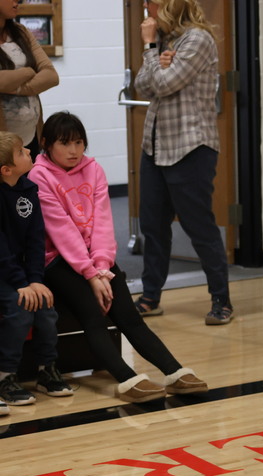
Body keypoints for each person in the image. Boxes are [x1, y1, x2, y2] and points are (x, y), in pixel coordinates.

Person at [29, 111, 208, 403]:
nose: (74, 151)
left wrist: (102, 267)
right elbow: (61, 230)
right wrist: (90, 275)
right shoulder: (39, 175)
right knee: (93, 315)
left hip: (95, 260)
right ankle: (127, 379)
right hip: (59, 260)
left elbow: (102, 221)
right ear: (47, 144)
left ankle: (174, 372)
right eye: (65, 143)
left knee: (129, 316)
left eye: (78, 142)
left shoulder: (94, 169)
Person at [133, 0, 233, 325]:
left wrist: (150, 50)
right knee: (152, 224)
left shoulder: (196, 39)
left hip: (190, 147)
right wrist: (156, 57)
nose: (147, 6)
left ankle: (221, 300)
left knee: (198, 226)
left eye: (153, 0)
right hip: (155, 145)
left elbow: (163, 84)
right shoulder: (165, 40)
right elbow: (143, 85)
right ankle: (150, 297)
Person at [0, 130, 71, 415]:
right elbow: (1, 249)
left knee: (45, 306)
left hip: (20, 274)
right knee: (20, 310)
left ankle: (46, 369)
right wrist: (22, 284)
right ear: (6, 169)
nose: (29, 152)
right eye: (21, 152)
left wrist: (36, 281)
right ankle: (5, 377)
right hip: (4, 273)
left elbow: (35, 240)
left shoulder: (29, 189)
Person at [0, 0, 58, 158]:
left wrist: (17, 88)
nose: (16, 1)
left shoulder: (20, 31)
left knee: (31, 181)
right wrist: (28, 71)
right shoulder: (28, 71)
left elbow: (51, 76)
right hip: (3, 142)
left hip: (31, 136)